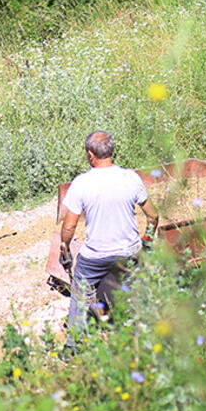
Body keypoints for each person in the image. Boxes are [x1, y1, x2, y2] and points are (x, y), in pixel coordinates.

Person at [59, 131, 159, 347]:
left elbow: (69, 226)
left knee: (80, 290)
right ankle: (142, 334)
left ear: (90, 154)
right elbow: (153, 215)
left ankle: (73, 345)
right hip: (129, 252)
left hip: (96, 256)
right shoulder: (130, 177)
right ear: (111, 151)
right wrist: (147, 240)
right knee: (134, 285)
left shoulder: (82, 183)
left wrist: (64, 247)